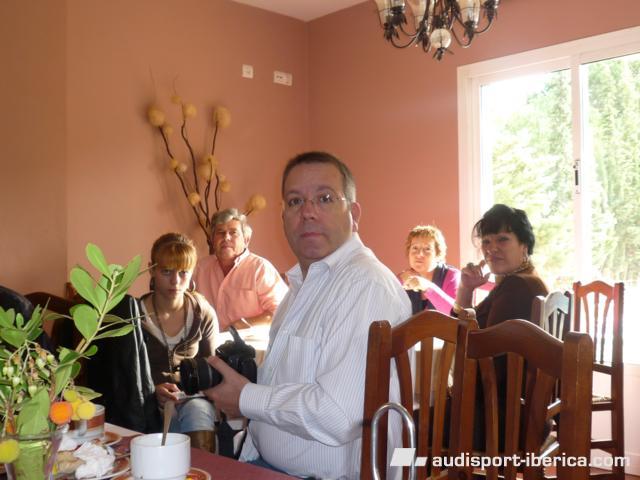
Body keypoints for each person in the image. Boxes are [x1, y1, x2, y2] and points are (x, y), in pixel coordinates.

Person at [204, 151, 411, 479]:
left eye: (325, 198)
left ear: (354, 213)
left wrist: (245, 397)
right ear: (283, 216)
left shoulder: (364, 284)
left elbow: (338, 415)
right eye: (295, 201)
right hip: (262, 462)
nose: (308, 212)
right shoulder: (300, 288)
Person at [453, 204, 548, 450]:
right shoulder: (525, 282)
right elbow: (466, 329)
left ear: (524, 245)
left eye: (502, 239)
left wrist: (453, 389)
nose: (491, 248)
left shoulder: (516, 287)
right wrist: (466, 289)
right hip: (519, 412)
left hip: (501, 419)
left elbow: (486, 358)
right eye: (486, 241)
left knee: (407, 427)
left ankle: (405, 467)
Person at [139, 233, 219, 451]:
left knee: (197, 411)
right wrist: (153, 390)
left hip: (192, 400)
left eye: (183, 272)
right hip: (146, 403)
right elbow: (126, 377)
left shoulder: (202, 313)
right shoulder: (134, 316)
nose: (175, 281)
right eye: (166, 271)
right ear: (151, 270)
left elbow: (212, 371)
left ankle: (202, 467)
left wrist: (189, 392)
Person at [194, 208, 288, 332]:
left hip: (249, 342)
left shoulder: (260, 268)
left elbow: (283, 312)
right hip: (209, 341)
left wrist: (242, 324)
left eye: (233, 232)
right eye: (220, 232)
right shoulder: (200, 268)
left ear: (246, 240)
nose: (226, 237)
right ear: (212, 239)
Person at [397, 225, 460, 314]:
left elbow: (455, 313)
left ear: (438, 254)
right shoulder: (403, 278)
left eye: (427, 249)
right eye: (415, 248)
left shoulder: (452, 276)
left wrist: (428, 287)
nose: (419, 254)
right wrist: (399, 282)